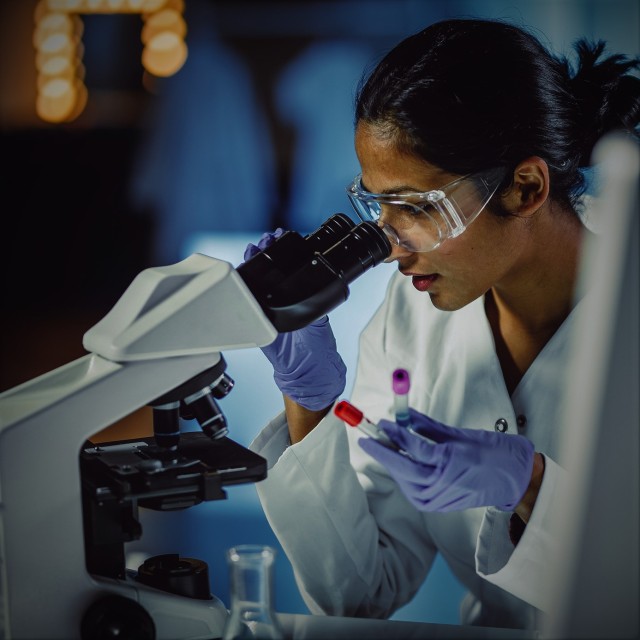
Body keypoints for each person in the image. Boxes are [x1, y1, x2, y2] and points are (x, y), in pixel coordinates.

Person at [244, 18, 640, 630]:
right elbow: (360, 597)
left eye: (417, 207)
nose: (394, 248)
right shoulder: (412, 313)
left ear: (526, 187)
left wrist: (533, 487)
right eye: (378, 205)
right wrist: (311, 405)